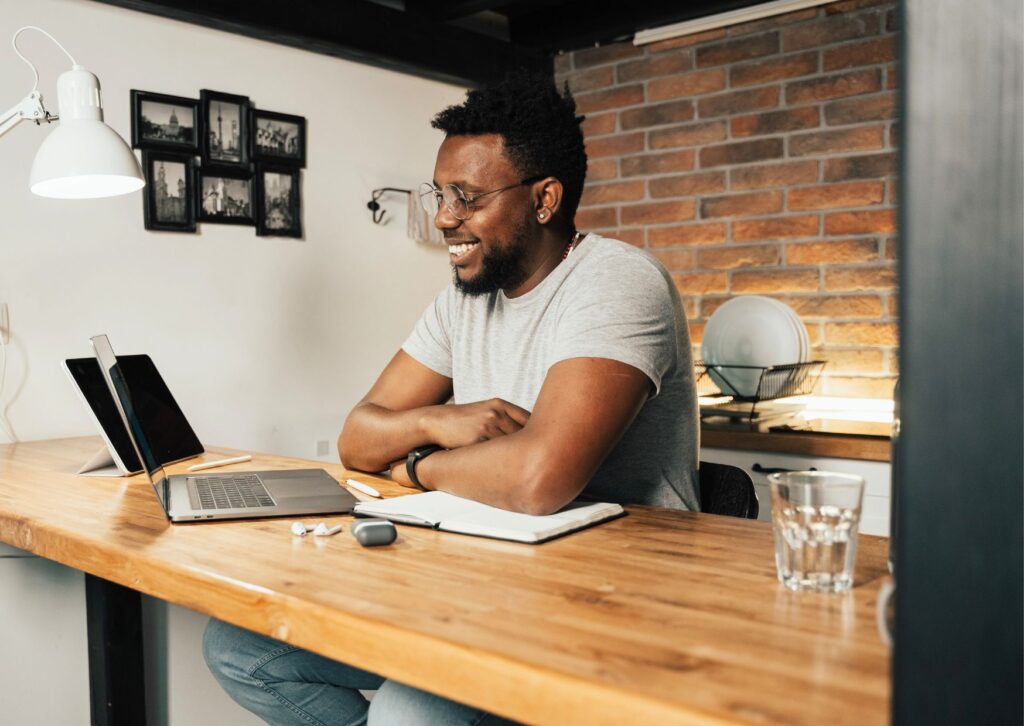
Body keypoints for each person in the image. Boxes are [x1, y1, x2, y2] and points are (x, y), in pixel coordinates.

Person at [204, 70, 698, 726]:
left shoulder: (616, 282)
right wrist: (442, 420)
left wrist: (413, 464)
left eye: (466, 197)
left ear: (544, 199)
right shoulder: (462, 302)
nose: (443, 218)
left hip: (613, 609)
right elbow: (357, 437)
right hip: (489, 591)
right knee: (240, 647)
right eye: (440, 194)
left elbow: (535, 479)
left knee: (409, 713)